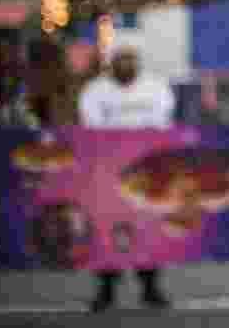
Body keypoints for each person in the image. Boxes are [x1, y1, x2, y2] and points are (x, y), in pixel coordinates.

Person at [78, 45, 176, 311]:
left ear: (137, 60)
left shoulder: (157, 88)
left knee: (148, 226)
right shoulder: (94, 91)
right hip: (109, 170)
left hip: (145, 171)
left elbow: (160, 126)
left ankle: (150, 287)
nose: (125, 63)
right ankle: (106, 289)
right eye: (120, 58)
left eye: (130, 58)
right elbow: (93, 129)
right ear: (112, 62)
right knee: (108, 227)